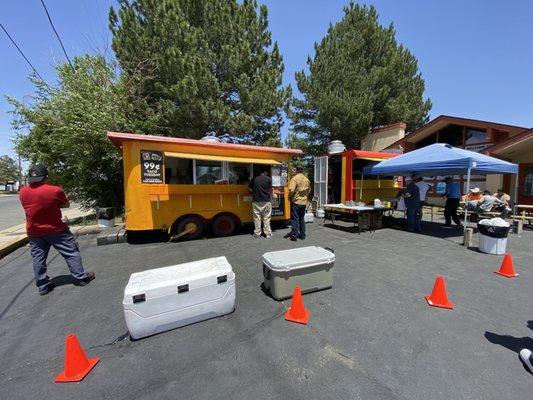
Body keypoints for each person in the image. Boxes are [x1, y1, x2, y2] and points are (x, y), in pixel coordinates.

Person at [19, 165, 95, 295]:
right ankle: (81, 277)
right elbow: (66, 204)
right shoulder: (55, 190)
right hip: (56, 229)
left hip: (34, 232)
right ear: (46, 177)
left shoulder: (23, 192)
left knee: (38, 258)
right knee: (71, 252)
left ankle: (43, 286)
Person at [286, 166, 310, 241]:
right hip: (304, 202)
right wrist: (304, 196)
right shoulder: (307, 179)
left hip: (296, 201)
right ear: (302, 171)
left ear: (296, 171)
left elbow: (292, 191)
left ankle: (294, 236)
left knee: (294, 219)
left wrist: (290, 198)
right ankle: (302, 235)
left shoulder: (294, 179)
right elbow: (309, 190)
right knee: (301, 218)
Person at [248, 168, 272, 238]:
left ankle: (257, 233)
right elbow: (270, 189)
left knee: (257, 218)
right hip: (266, 201)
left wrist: (254, 191)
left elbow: (250, 189)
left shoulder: (254, 179)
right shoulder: (268, 179)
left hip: (256, 201)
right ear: (265, 172)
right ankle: (267, 233)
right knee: (266, 218)